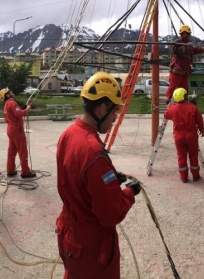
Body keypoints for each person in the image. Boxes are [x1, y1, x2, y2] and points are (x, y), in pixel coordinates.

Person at [55, 72, 141, 279]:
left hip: (69, 232)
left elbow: (79, 177)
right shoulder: (94, 153)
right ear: (102, 108)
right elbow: (110, 213)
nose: (113, 120)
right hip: (92, 245)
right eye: (114, 113)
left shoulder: (69, 134)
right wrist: (130, 192)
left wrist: (110, 176)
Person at [164, 87, 204, 183]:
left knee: (181, 156)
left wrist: (169, 107)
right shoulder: (193, 108)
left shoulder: (173, 109)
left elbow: (166, 115)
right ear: (185, 96)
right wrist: (202, 130)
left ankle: (183, 177)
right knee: (193, 156)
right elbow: (199, 120)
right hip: (191, 136)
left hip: (178, 137)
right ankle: (195, 176)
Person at [165, 24, 204, 104]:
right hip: (176, 71)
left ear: (188, 34)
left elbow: (196, 50)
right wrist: (185, 47)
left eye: (186, 34)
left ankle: (185, 102)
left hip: (185, 72)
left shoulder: (190, 45)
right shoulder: (177, 42)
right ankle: (168, 100)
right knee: (172, 87)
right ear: (181, 34)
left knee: (185, 89)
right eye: (183, 34)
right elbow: (175, 50)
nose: (184, 35)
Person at [0, 88, 35, 178]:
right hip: (16, 129)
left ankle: (10, 170)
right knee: (22, 150)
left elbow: (15, 112)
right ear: (7, 95)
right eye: (10, 92)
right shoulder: (12, 103)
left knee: (11, 151)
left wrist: (25, 106)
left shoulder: (7, 104)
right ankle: (26, 172)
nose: (12, 92)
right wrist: (27, 110)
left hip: (10, 129)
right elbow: (18, 113)